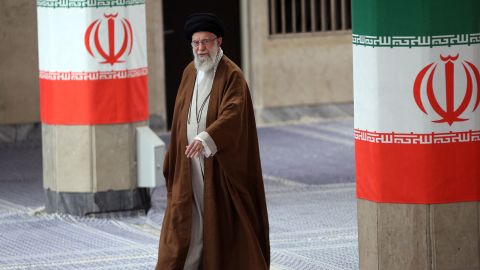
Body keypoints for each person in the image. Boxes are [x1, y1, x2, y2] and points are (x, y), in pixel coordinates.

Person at [156, 13, 270, 270]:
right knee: (189, 219)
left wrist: (206, 138)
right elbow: (179, 118)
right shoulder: (189, 71)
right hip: (189, 162)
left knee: (216, 218)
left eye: (205, 42)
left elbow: (233, 112)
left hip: (217, 164)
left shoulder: (232, 75)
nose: (200, 49)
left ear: (218, 42)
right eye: (196, 43)